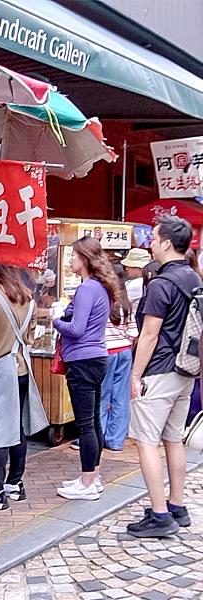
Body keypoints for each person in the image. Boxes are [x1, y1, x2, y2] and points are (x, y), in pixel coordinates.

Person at [128, 215, 201, 537]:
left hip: (159, 370)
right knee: (173, 438)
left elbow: (149, 335)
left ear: (168, 243)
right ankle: (177, 505)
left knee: (146, 441)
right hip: (187, 369)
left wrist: (135, 374)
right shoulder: (194, 278)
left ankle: (159, 515)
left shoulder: (161, 284)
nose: (151, 243)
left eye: (155, 238)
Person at [0, 263, 47, 510]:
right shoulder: (28, 298)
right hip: (22, 368)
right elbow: (30, 337)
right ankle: (15, 483)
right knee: (17, 427)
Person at [53, 237, 119, 501]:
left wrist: (56, 321)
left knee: (85, 425)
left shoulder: (87, 289)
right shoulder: (101, 287)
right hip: (97, 358)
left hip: (82, 360)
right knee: (92, 419)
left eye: (73, 256)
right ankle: (93, 475)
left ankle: (87, 481)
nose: (70, 260)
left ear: (85, 259)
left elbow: (76, 329)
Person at [99, 264, 138, 452]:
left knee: (101, 395)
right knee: (120, 396)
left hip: (106, 352)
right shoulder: (125, 301)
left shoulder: (104, 298)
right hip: (124, 351)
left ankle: (98, 438)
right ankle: (115, 440)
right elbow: (133, 332)